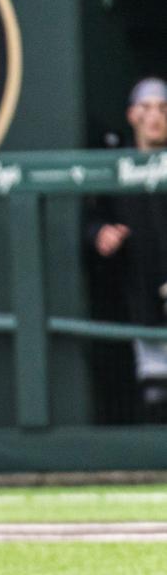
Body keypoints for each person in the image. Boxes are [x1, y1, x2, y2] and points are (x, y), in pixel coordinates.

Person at [87, 77, 167, 421]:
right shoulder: (115, 168)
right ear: (132, 115)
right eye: (147, 108)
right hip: (138, 308)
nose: (155, 117)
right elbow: (90, 219)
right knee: (153, 397)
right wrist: (99, 233)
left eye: (163, 108)